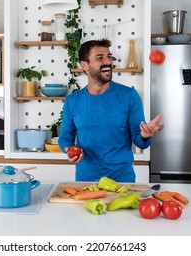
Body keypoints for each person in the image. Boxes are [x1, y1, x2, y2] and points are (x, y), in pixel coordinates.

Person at [58, 39, 163, 182]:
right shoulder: (72, 101)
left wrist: (145, 135)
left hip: (122, 182)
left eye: (109, 57)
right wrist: (70, 151)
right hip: (86, 182)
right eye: (100, 58)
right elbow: (65, 138)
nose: (108, 62)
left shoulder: (129, 96)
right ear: (84, 65)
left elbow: (141, 142)